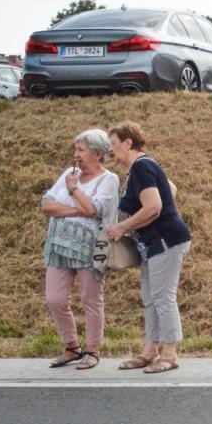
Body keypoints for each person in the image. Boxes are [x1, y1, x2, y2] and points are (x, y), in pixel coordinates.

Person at [105, 122, 191, 374]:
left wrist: (123, 227)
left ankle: (170, 353)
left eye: (113, 144)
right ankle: (150, 350)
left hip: (165, 240)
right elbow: (170, 189)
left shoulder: (142, 167)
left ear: (128, 143)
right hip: (151, 243)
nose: (111, 151)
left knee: (163, 297)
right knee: (150, 297)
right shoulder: (142, 167)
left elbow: (153, 206)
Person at [41, 128, 120, 370]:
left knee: (91, 300)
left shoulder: (109, 179)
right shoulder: (69, 173)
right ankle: (72, 346)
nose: (76, 154)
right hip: (59, 246)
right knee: (54, 298)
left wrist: (73, 190)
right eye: (76, 149)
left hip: (89, 247)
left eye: (80, 149)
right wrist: (76, 209)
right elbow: (46, 204)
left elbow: (93, 210)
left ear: (97, 153)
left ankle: (92, 350)